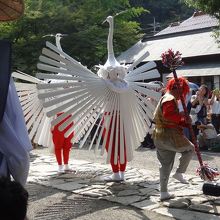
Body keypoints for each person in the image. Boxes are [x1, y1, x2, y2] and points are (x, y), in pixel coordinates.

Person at [152, 77, 194, 201]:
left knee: (165, 165)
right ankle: (179, 172)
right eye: (182, 91)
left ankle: (163, 192)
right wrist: (183, 117)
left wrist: (185, 122)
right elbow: (169, 116)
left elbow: (169, 119)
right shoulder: (169, 98)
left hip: (159, 135)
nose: (182, 94)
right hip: (169, 135)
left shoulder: (165, 97)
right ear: (178, 89)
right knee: (190, 149)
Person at [103, 112, 127, 182]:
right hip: (123, 117)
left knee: (111, 147)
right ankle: (122, 173)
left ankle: (116, 173)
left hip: (109, 116)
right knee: (123, 146)